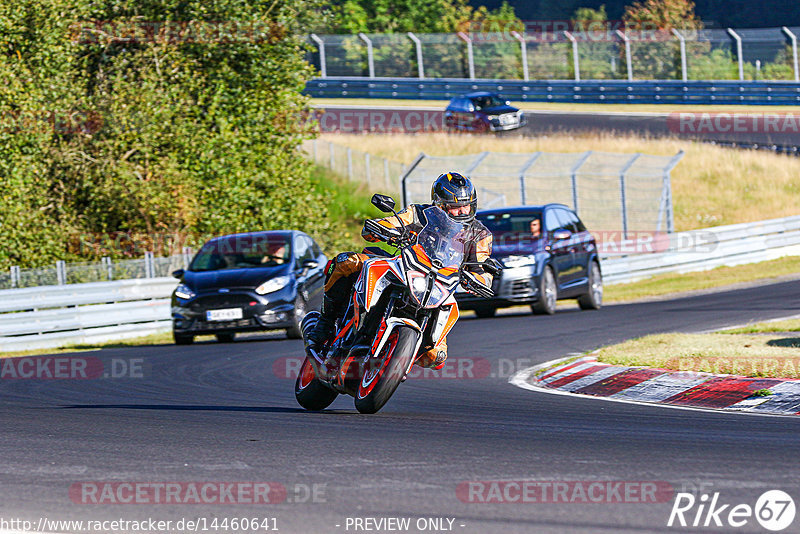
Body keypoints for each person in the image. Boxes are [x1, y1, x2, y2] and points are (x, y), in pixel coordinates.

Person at [305, 172, 493, 369]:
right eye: (455, 207)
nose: (462, 211)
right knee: (346, 262)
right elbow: (392, 222)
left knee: (436, 357)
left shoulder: (479, 234)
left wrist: (481, 280)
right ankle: (325, 323)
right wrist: (382, 227)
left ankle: (396, 360)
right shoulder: (418, 213)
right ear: (439, 204)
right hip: (403, 267)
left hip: (440, 287)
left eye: (466, 205)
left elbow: (482, 266)